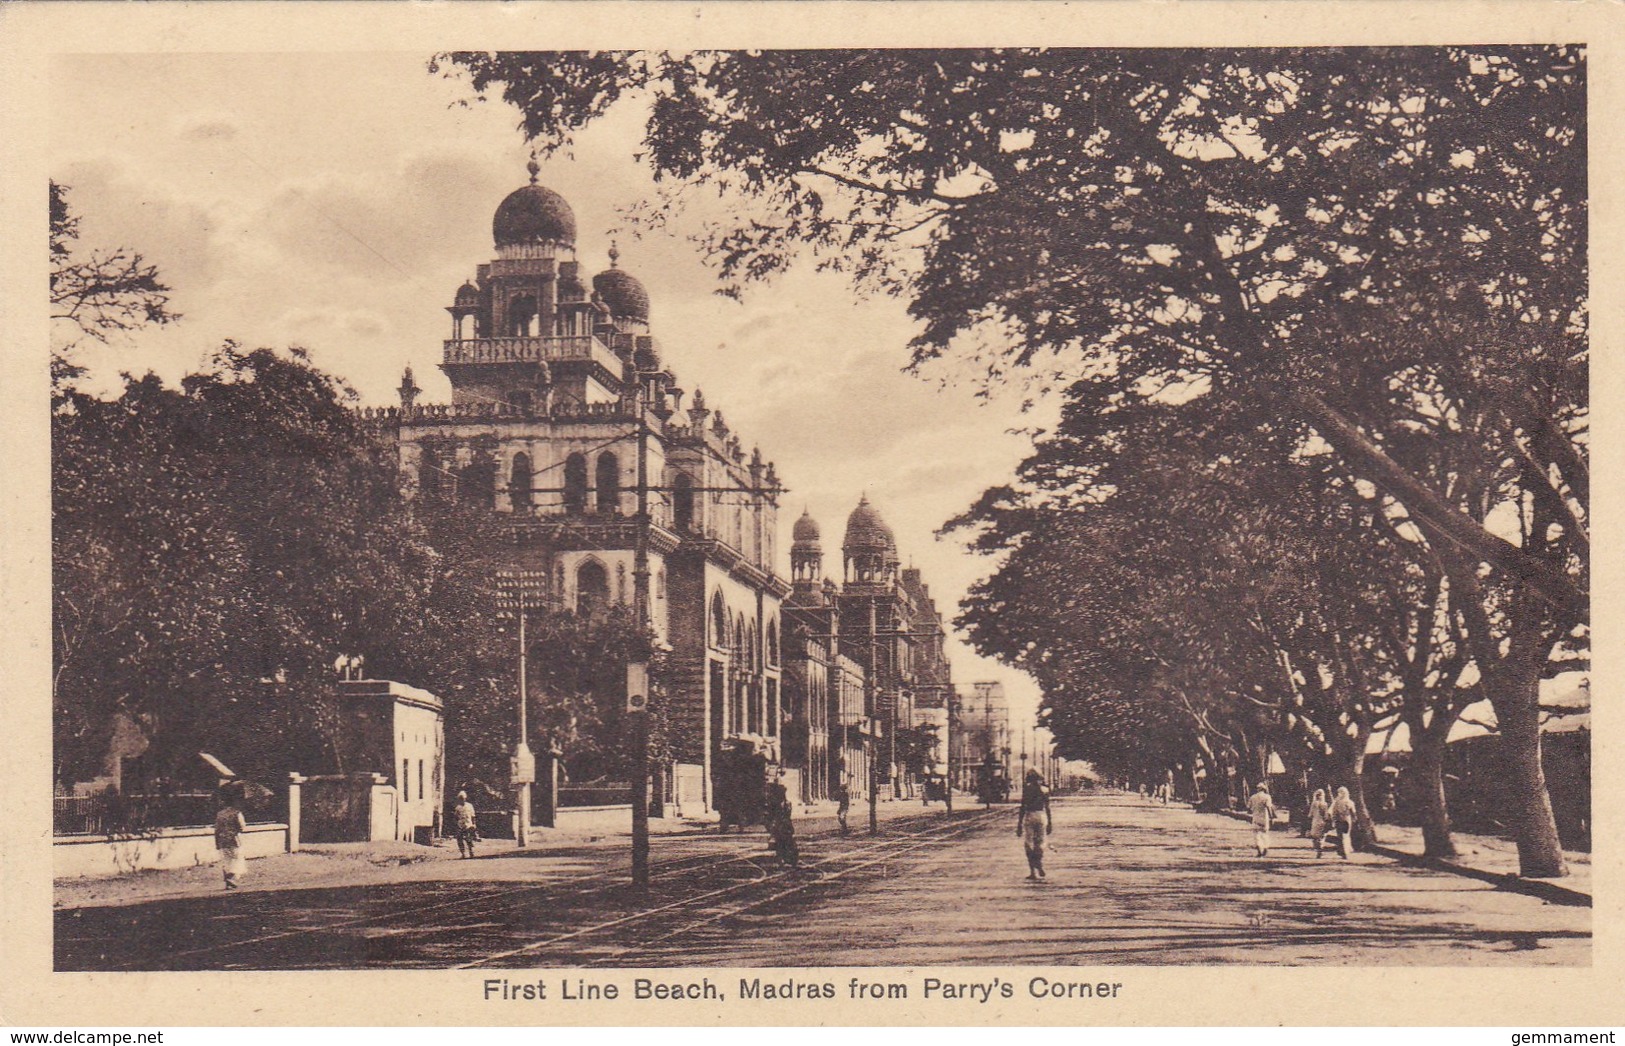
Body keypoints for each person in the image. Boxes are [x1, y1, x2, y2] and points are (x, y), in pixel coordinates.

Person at [1015, 769, 1053, 880]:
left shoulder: (1027, 789)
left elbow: (1023, 807)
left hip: (1029, 815)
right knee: (1040, 842)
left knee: (1028, 843)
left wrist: (1019, 824)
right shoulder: (1045, 790)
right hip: (1041, 816)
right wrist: (1050, 822)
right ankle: (1039, 862)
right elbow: (1047, 807)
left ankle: (1033, 871)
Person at [214, 784, 248, 890]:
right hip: (234, 839)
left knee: (226, 860)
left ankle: (228, 882)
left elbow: (217, 829)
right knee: (237, 859)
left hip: (222, 840)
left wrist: (217, 843)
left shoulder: (220, 814)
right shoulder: (236, 813)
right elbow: (242, 827)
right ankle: (232, 878)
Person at [765, 774, 799, 868]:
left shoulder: (784, 804)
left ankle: (787, 859)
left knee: (783, 843)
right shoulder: (781, 804)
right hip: (782, 826)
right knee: (782, 843)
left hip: (783, 826)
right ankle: (784, 859)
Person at [1247, 781, 1276, 857]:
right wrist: (1271, 817)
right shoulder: (1267, 797)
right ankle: (1265, 848)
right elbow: (1269, 807)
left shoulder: (1252, 797)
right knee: (1265, 834)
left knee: (1256, 835)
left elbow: (1248, 809)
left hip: (1256, 817)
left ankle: (1259, 850)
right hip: (1264, 817)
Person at [1329, 785, 1358, 859]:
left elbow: (1334, 812)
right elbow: (1353, 812)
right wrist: (1354, 818)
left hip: (1339, 819)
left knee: (1340, 836)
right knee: (1346, 835)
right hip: (1347, 819)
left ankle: (1342, 851)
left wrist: (1333, 819)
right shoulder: (1350, 802)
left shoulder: (1337, 802)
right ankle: (1346, 851)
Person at [1306, 789, 1331, 858]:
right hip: (1322, 821)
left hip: (1315, 821)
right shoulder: (1325, 804)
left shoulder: (1314, 804)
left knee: (1314, 836)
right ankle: (1320, 848)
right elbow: (1326, 815)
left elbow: (1310, 814)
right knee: (1321, 836)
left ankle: (1318, 849)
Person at [454, 790, 479, 859]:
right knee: (459, 839)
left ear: (465, 798)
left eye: (463, 798)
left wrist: (474, 824)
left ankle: (471, 852)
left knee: (469, 839)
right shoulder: (458, 807)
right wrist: (457, 824)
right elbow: (456, 816)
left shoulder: (469, 806)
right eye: (461, 798)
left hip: (468, 824)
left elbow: (473, 816)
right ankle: (463, 853)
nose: (462, 800)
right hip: (460, 825)